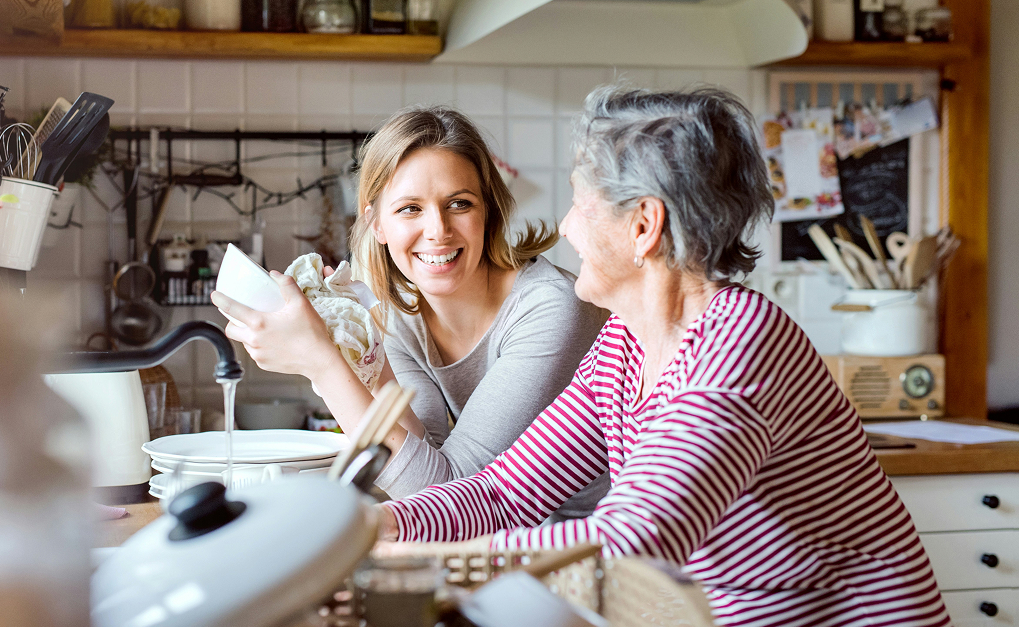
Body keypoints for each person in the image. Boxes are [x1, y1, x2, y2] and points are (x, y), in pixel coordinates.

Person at [377, 87, 950, 626]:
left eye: (580, 204)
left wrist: (413, 562)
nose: (566, 227)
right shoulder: (623, 345)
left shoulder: (740, 343)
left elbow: (633, 539)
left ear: (643, 226)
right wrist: (383, 525)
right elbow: (503, 494)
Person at [212, 106, 609, 518]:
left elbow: (447, 495)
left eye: (459, 203)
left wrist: (323, 366)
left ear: (487, 211)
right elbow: (420, 457)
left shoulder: (550, 307)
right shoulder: (401, 314)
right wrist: (359, 350)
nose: (438, 230)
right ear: (377, 224)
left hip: (594, 549)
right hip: (504, 541)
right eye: (410, 208)